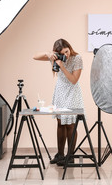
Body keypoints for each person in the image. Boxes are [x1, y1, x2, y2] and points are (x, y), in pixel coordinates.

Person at [33, 38, 84, 166]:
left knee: (70, 124)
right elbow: (34, 56)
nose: (66, 55)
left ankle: (70, 156)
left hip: (72, 92)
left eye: (66, 51)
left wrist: (62, 66)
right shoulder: (57, 57)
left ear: (69, 47)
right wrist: (48, 54)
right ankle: (60, 155)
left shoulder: (77, 58)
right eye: (63, 53)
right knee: (60, 122)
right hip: (60, 92)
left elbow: (73, 80)